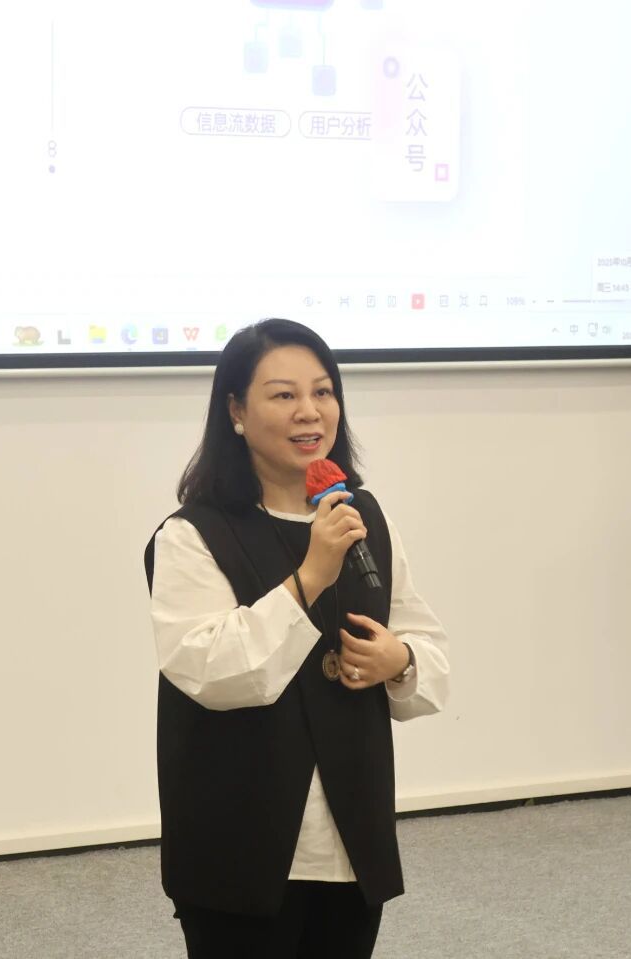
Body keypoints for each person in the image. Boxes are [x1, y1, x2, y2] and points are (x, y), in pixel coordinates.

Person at [144, 318, 450, 958]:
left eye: (323, 391)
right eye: (283, 395)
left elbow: (420, 637)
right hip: (240, 842)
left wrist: (399, 660)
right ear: (235, 411)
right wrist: (310, 575)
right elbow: (207, 669)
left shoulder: (362, 514)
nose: (309, 411)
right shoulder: (192, 534)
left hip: (348, 836)